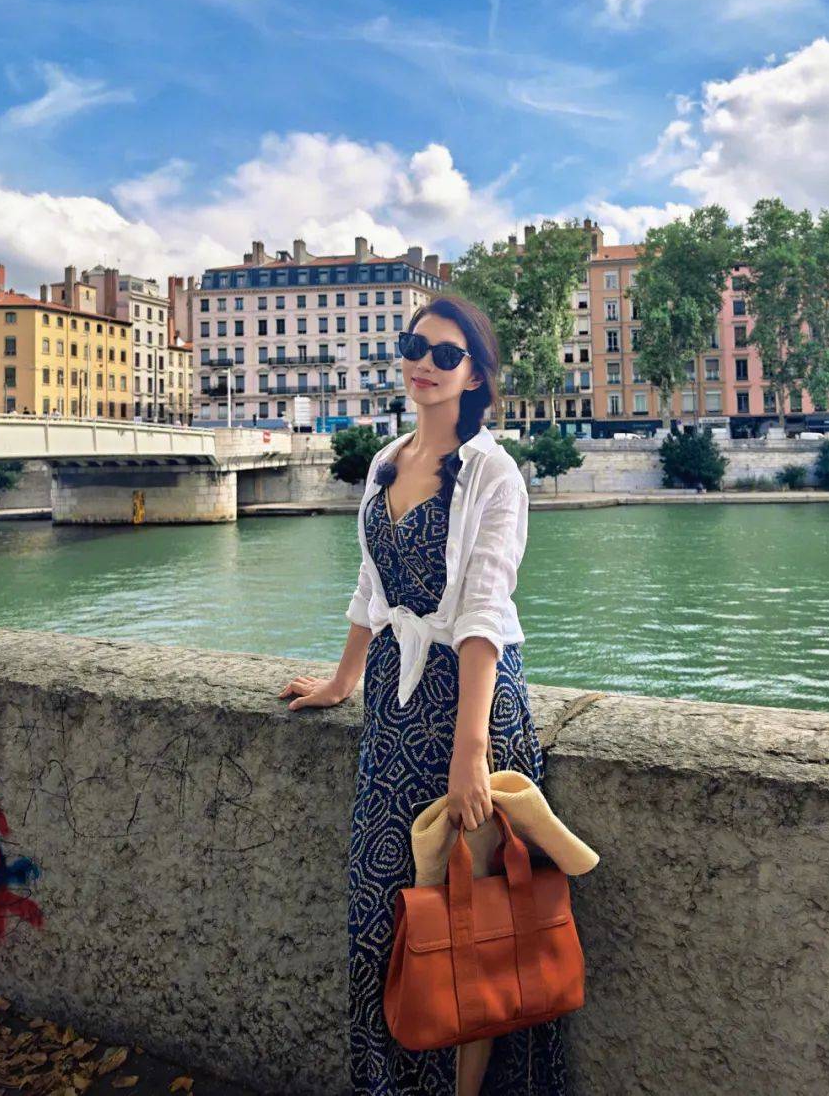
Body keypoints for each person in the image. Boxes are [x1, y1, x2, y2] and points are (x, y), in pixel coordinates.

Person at [278, 294, 568, 1096]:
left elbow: (483, 612)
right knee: (383, 919)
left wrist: (470, 753)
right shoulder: (387, 459)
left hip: (469, 710)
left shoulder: (493, 473)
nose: (423, 363)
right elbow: (373, 587)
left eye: (445, 354)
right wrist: (342, 679)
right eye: (414, 346)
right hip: (392, 709)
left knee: (471, 929)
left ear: (475, 374)